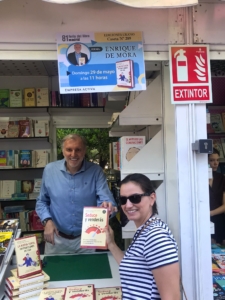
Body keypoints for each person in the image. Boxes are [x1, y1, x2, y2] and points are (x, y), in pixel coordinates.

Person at [36, 134, 117, 254]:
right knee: (55, 273)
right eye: (69, 149)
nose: (73, 154)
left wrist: (107, 208)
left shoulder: (96, 171)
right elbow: (42, 201)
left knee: (88, 272)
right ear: (63, 151)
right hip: (56, 239)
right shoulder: (50, 170)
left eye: (78, 150)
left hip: (88, 239)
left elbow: (107, 201)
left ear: (84, 151)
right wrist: (47, 221)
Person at [105, 173, 180, 300]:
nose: (128, 205)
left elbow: (172, 297)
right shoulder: (144, 230)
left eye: (135, 198)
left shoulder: (156, 237)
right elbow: (133, 266)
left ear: (152, 198)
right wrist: (111, 244)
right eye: (123, 199)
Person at [208, 148, 225, 245]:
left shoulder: (222, 178)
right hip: (202, 219)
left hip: (218, 220)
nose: (215, 163)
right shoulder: (198, 177)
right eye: (212, 160)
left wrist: (210, 213)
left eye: (217, 160)